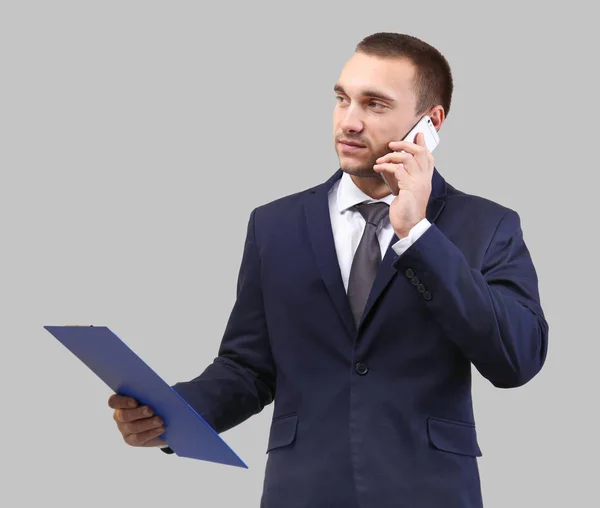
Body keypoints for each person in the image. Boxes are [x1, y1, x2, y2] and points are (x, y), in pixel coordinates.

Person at [108, 32, 549, 508]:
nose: (349, 122)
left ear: (430, 122)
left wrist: (418, 234)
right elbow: (248, 369)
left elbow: (516, 360)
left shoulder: (487, 224)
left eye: (375, 104)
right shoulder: (274, 225)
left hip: (430, 492)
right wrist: (171, 415)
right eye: (342, 99)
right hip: (302, 490)